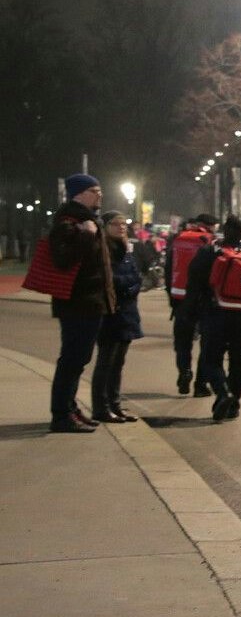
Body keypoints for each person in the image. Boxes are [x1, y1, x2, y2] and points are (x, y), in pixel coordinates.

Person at [45, 174, 114, 433]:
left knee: (79, 358)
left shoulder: (87, 221)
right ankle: (61, 415)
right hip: (77, 303)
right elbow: (62, 260)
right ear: (79, 193)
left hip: (89, 302)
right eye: (95, 190)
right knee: (72, 359)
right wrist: (85, 236)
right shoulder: (68, 222)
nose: (100, 195)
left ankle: (70, 408)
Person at [186, 216, 241, 421]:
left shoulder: (209, 252)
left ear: (224, 231)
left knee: (212, 359)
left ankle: (223, 393)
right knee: (239, 362)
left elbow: (194, 282)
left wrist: (191, 313)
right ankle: (234, 403)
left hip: (215, 313)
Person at [88, 210, 144, 424]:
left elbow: (136, 277)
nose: (121, 227)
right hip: (112, 312)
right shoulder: (103, 249)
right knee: (106, 362)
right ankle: (100, 407)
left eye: (123, 224)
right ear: (105, 227)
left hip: (127, 312)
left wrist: (132, 286)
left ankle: (115, 404)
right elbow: (111, 279)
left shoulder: (126, 250)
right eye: (115, 224)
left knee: (118, 362)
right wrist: (128, 286)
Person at [163, 213, 215, 396]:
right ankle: (201, 384)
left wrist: (170, 294)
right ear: (209, 226)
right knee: (207, 343)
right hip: (203, 298)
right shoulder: (209, 241)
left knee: (182, 341)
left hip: (180, 298)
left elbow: (168, 268)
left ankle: (184, 372)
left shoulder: (178, 239)